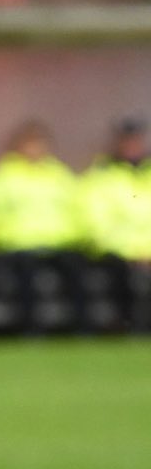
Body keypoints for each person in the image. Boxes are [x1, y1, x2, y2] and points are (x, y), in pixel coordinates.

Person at [0, 120, 87, 334]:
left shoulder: (59, 174)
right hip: (19, 245)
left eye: (38, 143)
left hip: (57, 244)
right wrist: (6, 238)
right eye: (29, 143)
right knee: (25, 272)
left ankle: (81, 326)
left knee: (76, 267)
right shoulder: (5, 174)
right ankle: (29, 327)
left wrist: (71, 237)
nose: (34, 148)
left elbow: (77, 210)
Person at [78, 117, 151, 332]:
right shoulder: (102, 174)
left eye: (136, 140)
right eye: (127, 140)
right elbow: (96, 221)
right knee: (120, 274)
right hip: (118, 251)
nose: (132, 146)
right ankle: (128, 326)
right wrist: (133, 253)